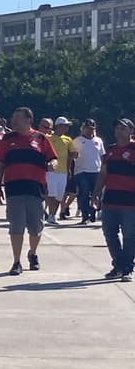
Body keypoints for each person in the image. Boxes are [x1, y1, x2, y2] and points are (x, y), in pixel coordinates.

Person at [0, 107, 57, 275]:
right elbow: (0, 164)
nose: (14, 120)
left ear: (28, 120)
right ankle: (16, 261)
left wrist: (52, 165)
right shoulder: (7, 139)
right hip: (14, 188)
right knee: (16, 226)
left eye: (18, 117)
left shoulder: (41, 138)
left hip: (36, 188)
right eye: (13, 117)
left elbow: (53, 159)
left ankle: (33, 253)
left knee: (36, 227)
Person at [92, 118, 135, 282]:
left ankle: (127, 268)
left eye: (123, 128)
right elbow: (103, 174)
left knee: (130, 235)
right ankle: (118, 264)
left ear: (131, 131)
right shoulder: (110, 150)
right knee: (109, 233)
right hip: (110, 199)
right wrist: (96, 193)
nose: (119, 131)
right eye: (117, 128)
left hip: (130, 201)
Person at [72, 118, 105, 224]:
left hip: (96, 170)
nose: (90, 131)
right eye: (87, 128)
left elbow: (102, 156)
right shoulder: (77, 140)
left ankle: (93, 211)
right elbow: (72, 155)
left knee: (96, 193)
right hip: (81, 171)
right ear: (83, 129)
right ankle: (85, 216)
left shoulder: (98, 141)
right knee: (84, 192)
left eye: (92, 128)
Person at [44, 117, 77, 224]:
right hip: (51, 171)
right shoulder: (48, 138)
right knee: (52, 194)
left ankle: (52, 214)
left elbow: (71, 155)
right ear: (58, 126)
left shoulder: (68, 140)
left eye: (67, 126)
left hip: (63, 171)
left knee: (59, 195)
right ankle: (51, 215)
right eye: (65, 125)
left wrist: (69, 169)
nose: (67, 128)